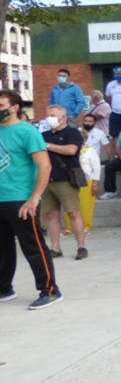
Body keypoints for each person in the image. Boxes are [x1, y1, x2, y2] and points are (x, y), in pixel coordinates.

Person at [0, 89, 62, 310]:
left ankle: (50, 290)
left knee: (32, 246)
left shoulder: (27, 132)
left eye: (1, 105)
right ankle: (4, 288)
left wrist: (34, 198)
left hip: (20, 199)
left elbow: (44, 165)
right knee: (3, 247)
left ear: (15, 107)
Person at [39, 105, 87, 260]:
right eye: (48, 115)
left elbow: (71, 150)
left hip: (66, 179)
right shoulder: (43, 134)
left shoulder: (72, 133)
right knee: (51, 215)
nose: (49, 118)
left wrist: (48, 146)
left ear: (63, 117)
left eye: (52, 115)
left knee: (73, 213)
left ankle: (81, 246)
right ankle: (55, 247)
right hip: (46, 179)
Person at [73, 113, 108, 233]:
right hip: (71, 179)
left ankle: (85, 226)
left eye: (82, 138)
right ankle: (70, 228)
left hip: (86, 179)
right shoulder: (70, 150)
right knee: (71, 205)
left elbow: (96, 168)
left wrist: (95, 183)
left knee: (85, 205)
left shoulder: (90, 150)